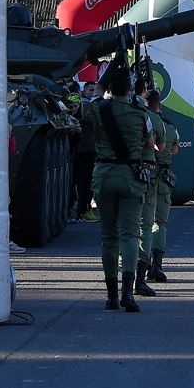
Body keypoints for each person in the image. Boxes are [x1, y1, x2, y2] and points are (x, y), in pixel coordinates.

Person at [91, 63, 154, 312]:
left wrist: (103, 83)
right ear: (129, 89)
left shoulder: (98, 108)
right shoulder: (140, 113)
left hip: (104, 175)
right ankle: (128, 292)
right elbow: (149, 146)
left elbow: (95, 95)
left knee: (108, 237)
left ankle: (111, 296)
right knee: (130, 234)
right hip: (130, 177)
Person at [142, 90, 179, 285]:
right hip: (163, 176)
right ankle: (157, 264)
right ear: (160, 105)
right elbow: (173, 150)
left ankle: (143, 264)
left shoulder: (141, 121)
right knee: (160, 222)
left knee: (145, 223)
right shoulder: (170, 126)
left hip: (146, 174)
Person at [72, 82, 100, 221]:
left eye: (95, 90)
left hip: (87, 147)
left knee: (85, 181)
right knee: (85, 181)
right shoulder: (85, 104)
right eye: (91, 90)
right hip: (85, 148)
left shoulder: (87, 103)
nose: (93, 92)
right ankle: (83, 210)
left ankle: (83, 208)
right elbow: (89, 118)